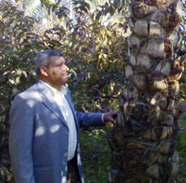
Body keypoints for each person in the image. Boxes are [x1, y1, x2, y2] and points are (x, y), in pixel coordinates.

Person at [9, 50, 118, 183]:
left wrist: (101, 117)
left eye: (65, 64)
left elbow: (70, 119)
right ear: (44, 71)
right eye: (59, 65)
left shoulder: (65, 92)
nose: (66, 68)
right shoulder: (27, 100)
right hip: (47, 176)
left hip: (72, 171)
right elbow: (20, 154)